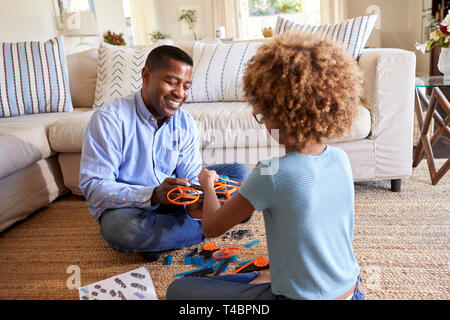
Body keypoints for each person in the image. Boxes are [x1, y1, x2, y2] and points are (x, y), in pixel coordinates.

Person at [166, 31, 365, 300]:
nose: (261, 120)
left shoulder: (270, 173)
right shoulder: (340, 158)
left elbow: (211, 227)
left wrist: (208, 185)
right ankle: (269, 277)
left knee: (179, 292)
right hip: (352, 290)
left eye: (261, 111)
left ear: (276, 111)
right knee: (257, 273)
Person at [79, 45, 250, 262]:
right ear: (146, 76)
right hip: (133, 207)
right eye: (171, 82)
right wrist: (153, 194)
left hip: (176, 201)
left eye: (186, 86)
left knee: (240, 171)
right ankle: (218, 221)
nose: (180, 93)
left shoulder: (184, 121)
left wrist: (199, 194)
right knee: (120, 230)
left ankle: (166, 236)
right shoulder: (110, 119)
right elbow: (94, 187)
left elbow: (191, 173)